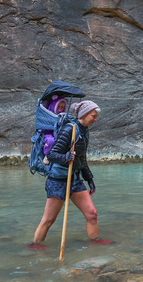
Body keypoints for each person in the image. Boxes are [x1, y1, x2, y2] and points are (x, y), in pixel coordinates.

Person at [30, 100, 111, 247]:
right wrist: (66, 157)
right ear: (84, 114)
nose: (95, 119)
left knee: (92, 214)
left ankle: (95, 244)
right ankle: (35, 247)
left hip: (74, 179)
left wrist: (89, 179)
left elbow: (82, 158)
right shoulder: (69, 130)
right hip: (58, 180)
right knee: (48, 220)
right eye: (93, 115)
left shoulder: (84, 131)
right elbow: (53, 154)